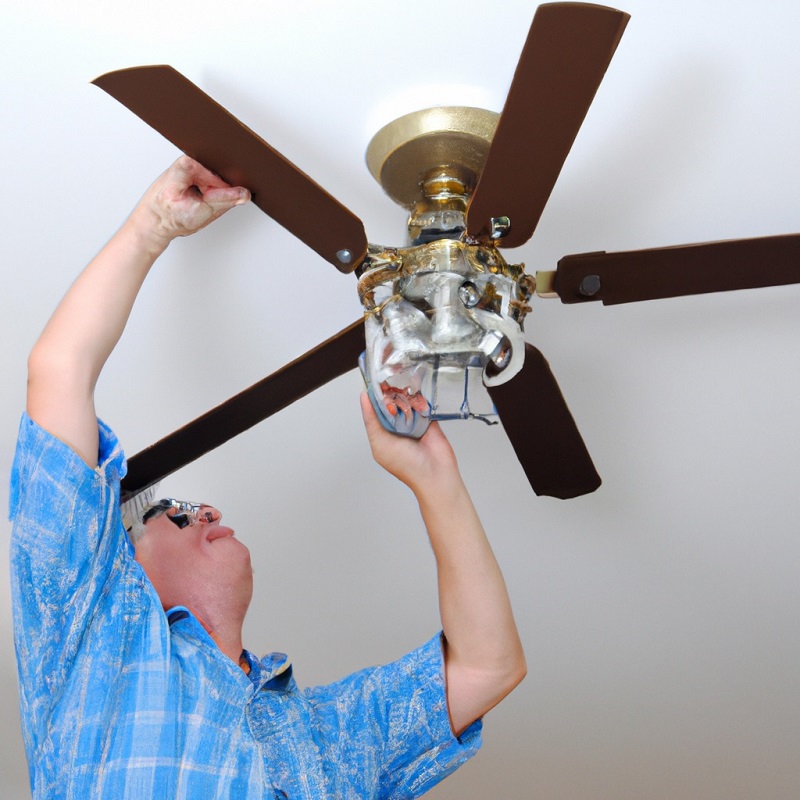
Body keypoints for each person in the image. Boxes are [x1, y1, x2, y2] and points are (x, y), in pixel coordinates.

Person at [9, 156, 526, 799]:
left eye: (180, 508)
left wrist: (434, 477)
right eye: (178, 511)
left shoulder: (322, 738)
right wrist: (150, 226)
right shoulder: (91, 643)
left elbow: (487, 665)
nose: (209, 514)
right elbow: (58, 370)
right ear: (120, 571)